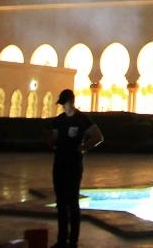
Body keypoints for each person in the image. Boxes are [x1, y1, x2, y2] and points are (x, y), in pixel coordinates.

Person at [45, 89, 103, 248]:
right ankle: (62, 239)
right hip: (59, 163)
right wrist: (50, 141)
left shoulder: (82, 120)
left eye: (64, 103)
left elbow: (98, 136)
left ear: (71, 102)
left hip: (73, 165)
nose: (63, 107)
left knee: (72, 202)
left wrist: (83, 147)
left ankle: (73, 241)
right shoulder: (59, 120)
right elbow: (53, 138)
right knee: (61, 202)